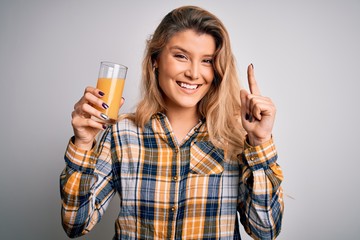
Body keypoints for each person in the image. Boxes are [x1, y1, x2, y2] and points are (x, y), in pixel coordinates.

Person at [60, 5, 284, 240]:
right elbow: (75, 224)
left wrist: (260, 143)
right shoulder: (122, 134)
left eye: (207, 60)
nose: (194, 73)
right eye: (181, 56)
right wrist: (83, 144)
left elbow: (266, 230)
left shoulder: (238, 137)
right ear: (155, 59)